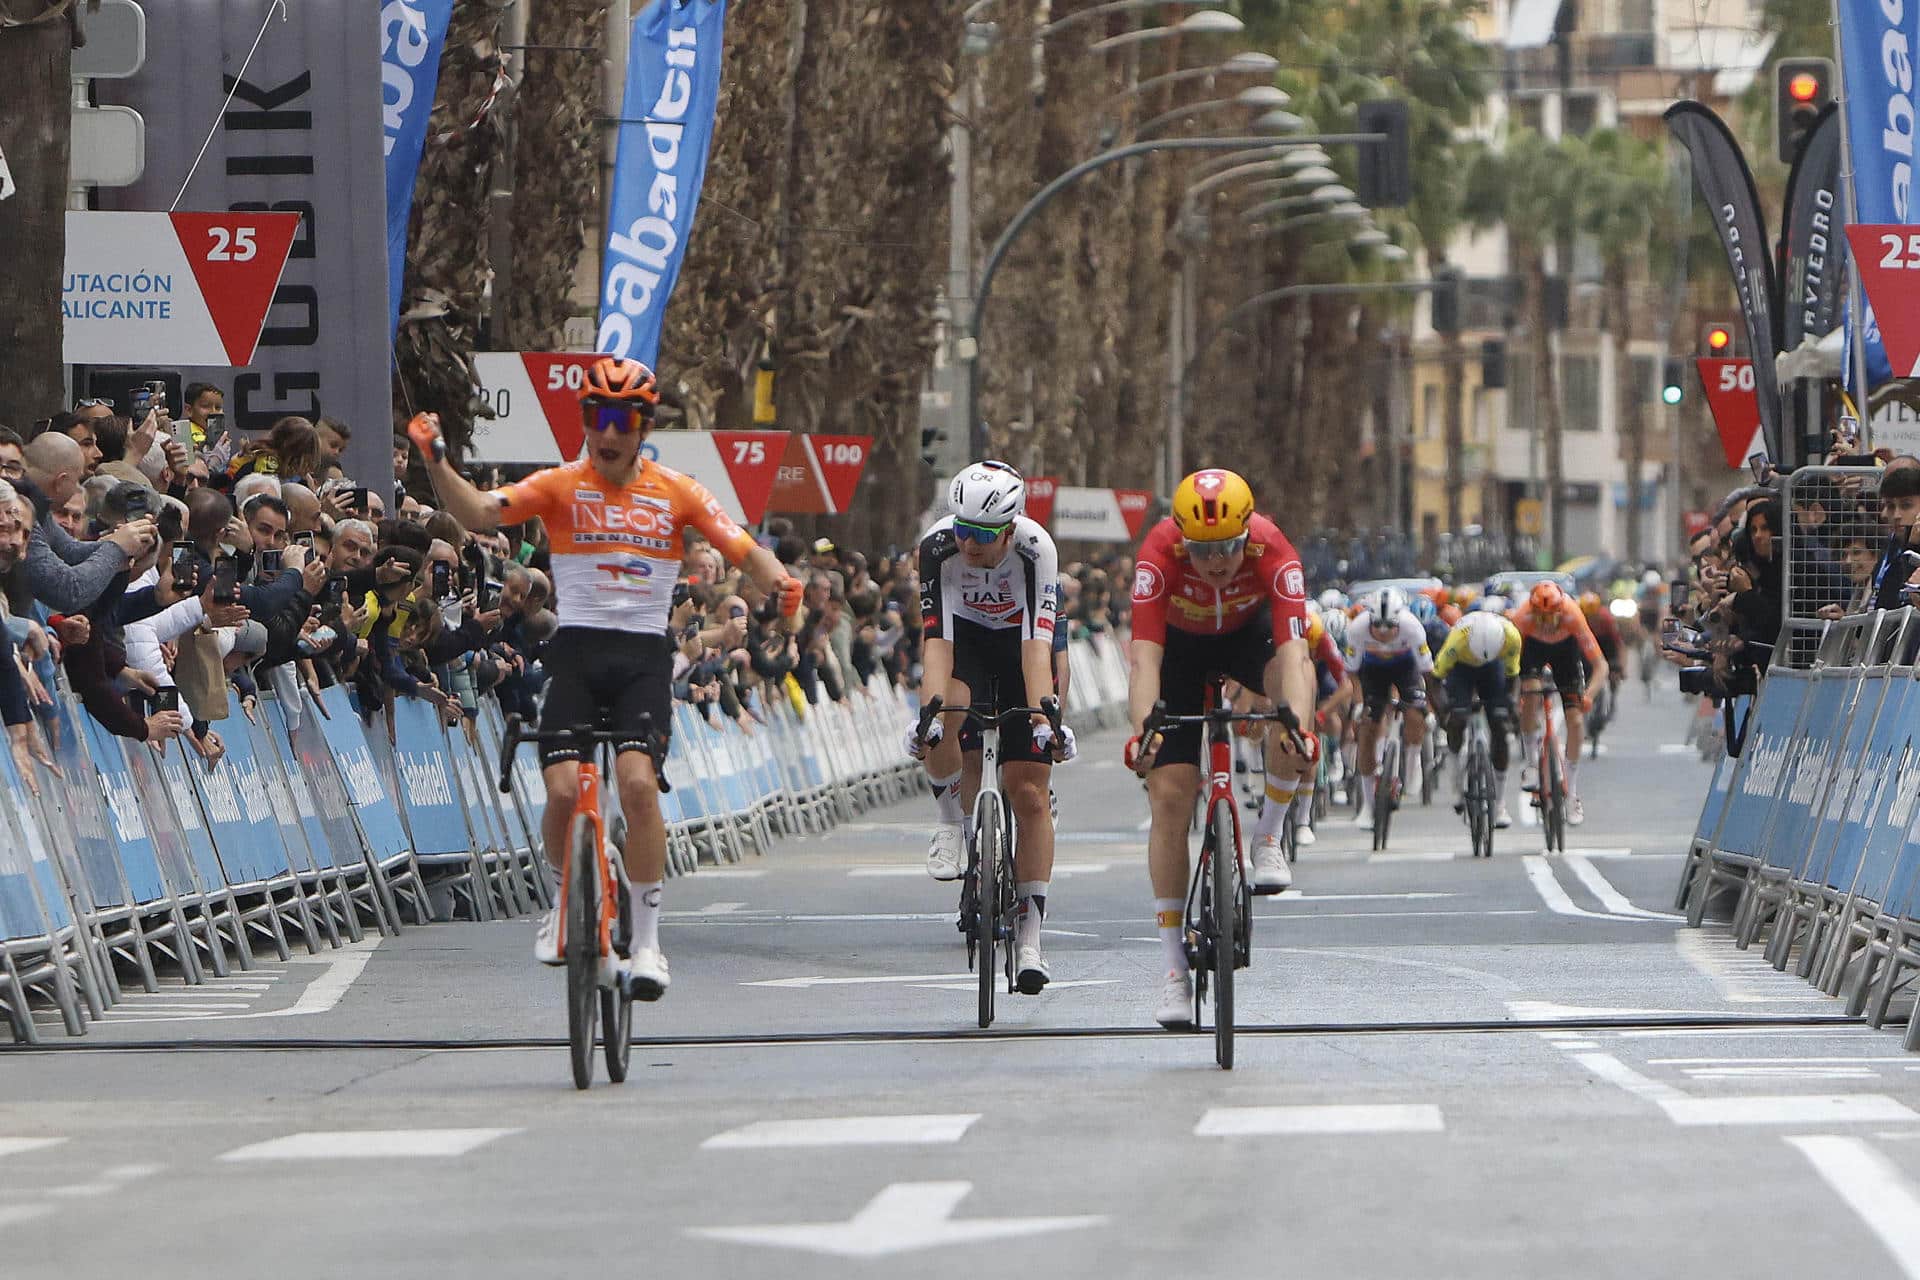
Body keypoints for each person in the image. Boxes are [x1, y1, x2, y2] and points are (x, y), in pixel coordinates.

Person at [407, 356, 803, 1000]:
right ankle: (564, 900)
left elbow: (741, 547)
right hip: (578, 656)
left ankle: (647, 942)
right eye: (598, 418)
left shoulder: (677, 489)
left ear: (643, 425)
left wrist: (780, 584)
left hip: (642, 658)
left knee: (637, 784)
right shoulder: (562, 484)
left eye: (622, 419)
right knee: (562, 792)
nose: (609, 433)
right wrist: (436, 461)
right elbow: (481, 512)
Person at [1125, 469, 1313, 1029]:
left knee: (1288, 709)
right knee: (1170, 795)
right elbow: (1144, 660)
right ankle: (1174, 973)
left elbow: (1296, 654)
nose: (1217, 561)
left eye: (1230, 547)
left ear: (1248, 534)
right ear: (1182, 537)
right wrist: (1144, 733)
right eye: (1204, 549)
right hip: (1179, 648)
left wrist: (1298, 725)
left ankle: (1270, 834)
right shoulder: (1157, 552)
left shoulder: (1274, 548)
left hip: (1247, 636)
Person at [908, 460, 1068, 996]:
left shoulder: (1036, 549)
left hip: (1023, 645)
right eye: (962, 528)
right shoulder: (936, 549)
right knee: (944, 712)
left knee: (1028, 792)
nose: (969, 542)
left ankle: (1030, 938)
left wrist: (1047, 719)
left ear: (1009, 529)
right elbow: (936, 642)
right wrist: (928, 715)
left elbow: (1036, 650)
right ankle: (951, 822)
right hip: (965, 643)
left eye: (983, 533)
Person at [1510, 580, 1609, 825]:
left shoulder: (1572, 615)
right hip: (1531, 650)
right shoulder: (1522, 618)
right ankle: (1532, 763)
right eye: (1539, 617)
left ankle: (1572, 793)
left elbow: (1601, 666)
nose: (1545, 622)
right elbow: (1508, 662)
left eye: (1550, 616)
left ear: (1560, 611)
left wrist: (1589, 695)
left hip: (1566, 653)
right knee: (1531, 691)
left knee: (1575, 720)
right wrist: (1513, 695)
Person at [1343, 585, 1433, 830]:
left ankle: (1413, 762)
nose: (1383, 632)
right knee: (1367, 730)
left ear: (1399, 621)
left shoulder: (1412, 626)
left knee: (1415, 714)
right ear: (1369, 619)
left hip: (1406, 669)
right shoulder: (1357, 628)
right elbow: (1352, 673)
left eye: (1389, 626)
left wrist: (1430, 709)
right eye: (1377, 626)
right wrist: (1360, 704)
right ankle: (1368, 806)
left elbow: (1427, 671)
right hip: (1373, 673)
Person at [1433, 609, 1520, 829]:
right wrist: (1444, 711)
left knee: (1499, 725)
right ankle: (1455, 780)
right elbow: (1435, 681)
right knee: (1458, 720)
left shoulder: (1510, 637)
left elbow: (1512, 679)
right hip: (1461, 669)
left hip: (1494, 667)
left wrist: (1509, 706)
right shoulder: (1457, 640)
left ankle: (1499, 803)